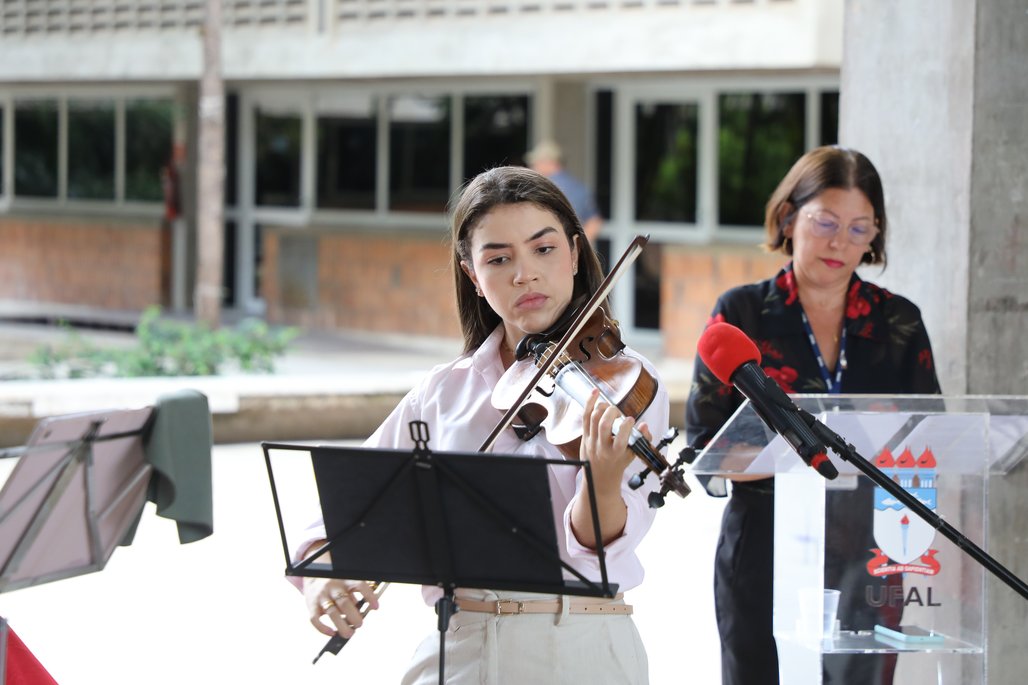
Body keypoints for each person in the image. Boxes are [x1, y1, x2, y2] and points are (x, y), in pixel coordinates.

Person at [295, 166, 669, 684]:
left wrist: (603, 482)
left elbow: (596, 549)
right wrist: (321, 572)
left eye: (544, 249)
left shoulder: (624, 383)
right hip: (460, 645)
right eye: (498, 258)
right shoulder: (443, 391)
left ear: (575, 254)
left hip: (579, 642)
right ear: (472, 274)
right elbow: (350, 501)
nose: (525, 274)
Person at [685, 146, 941, 685]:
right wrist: (799, 455)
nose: (839, 242)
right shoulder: (742, 313)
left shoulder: (899, 322)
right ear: (788, 217)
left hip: (870, 554)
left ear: (876, 235)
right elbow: (704, 449)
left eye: (859, 228)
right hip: (763, 550)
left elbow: (931, 439)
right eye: (825, 221)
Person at [526, 140, 604, 243]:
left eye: (535, 163)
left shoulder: (541, 188)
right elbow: (594, 223)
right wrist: (578, 246)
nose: (532, 168)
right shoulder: (579, 187)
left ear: (549, 162)